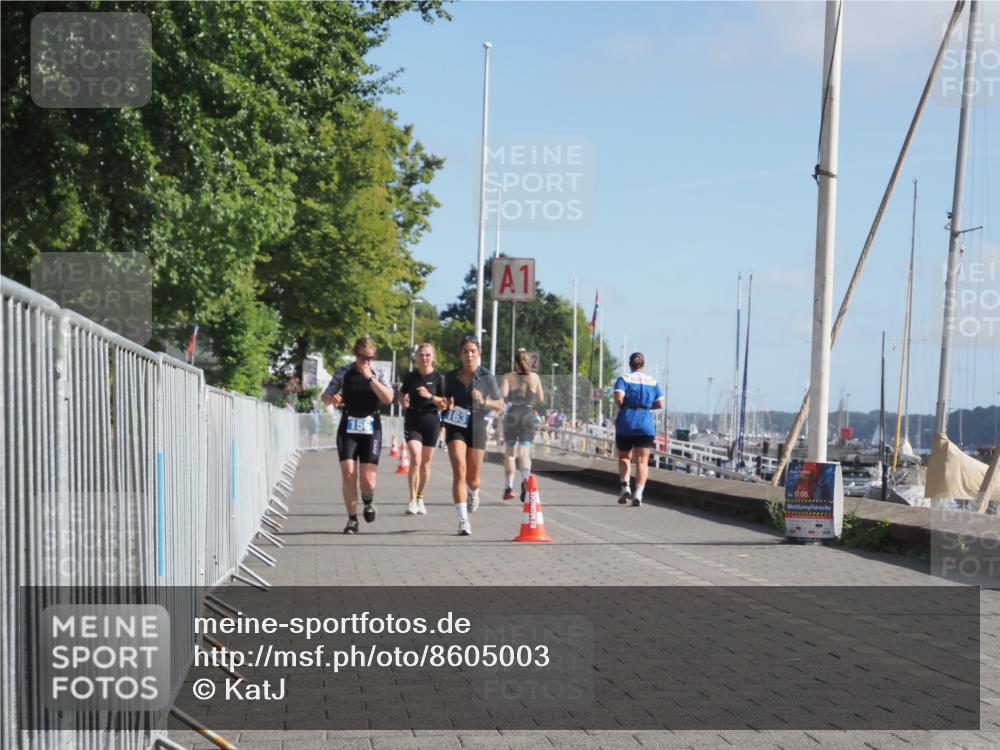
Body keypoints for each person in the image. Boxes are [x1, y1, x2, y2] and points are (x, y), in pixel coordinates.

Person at [322, 337, 394, 533]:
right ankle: (352, 519)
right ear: (356, 354)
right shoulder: (344, 371)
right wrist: (332, 398)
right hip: (349, 426)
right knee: (348, 473)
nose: (366, 361)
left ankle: (368, 500)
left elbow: (388, 398)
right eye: (363, 357)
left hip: (371, 427)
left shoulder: (379, 372)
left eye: (370, 357)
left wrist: (370, 377)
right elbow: (326, 396)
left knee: (368, 480)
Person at [443, 335, 503, 536]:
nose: (469, 355)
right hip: (456, 424)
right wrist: (444, 403)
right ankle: (463, 521)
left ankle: (474, 492)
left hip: (477, 425)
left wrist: (484, 402)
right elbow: (443, 400)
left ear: (479, 354)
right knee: (459, 469)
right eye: (465, 351)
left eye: (473, 351)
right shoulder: (450, 377)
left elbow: (500, 405)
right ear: (460, 354)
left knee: (473, 477)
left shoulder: (487, 376)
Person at [399, 343, 447, 515]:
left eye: (427, 355)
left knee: (425, 464)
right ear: (416, 358)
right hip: (413, 420)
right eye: (421, 355)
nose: (424, 358)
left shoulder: (439, 377)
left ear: (433, 358)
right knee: (416, 458)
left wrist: (430, 396)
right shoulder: (410, 376)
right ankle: (412, 500)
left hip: (431, 421)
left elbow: (445, 403)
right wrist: (402, 400)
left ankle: (420, 497)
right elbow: (401, 392)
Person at [613, 352, 665, 507]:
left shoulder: (624, 379)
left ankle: (625, 487)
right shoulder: (653, 381)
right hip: (646, 423)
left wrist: (625, 406)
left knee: (624, 457)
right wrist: (647, 406)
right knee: (642, 461)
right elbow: (661, 404)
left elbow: (618, 398)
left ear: (630, 364)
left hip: (626, 422)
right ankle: (639, 493)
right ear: (643, 364)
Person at [500, 350, 544, 501]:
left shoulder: (508, 377)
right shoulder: (535, 377)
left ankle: (508, 488)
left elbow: (503, 395)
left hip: (512, 415)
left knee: (510, 455)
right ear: (529, 362)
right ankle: (526, 479)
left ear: (515, 362)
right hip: (528, 415)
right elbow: (541, 398)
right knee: (525, 453)